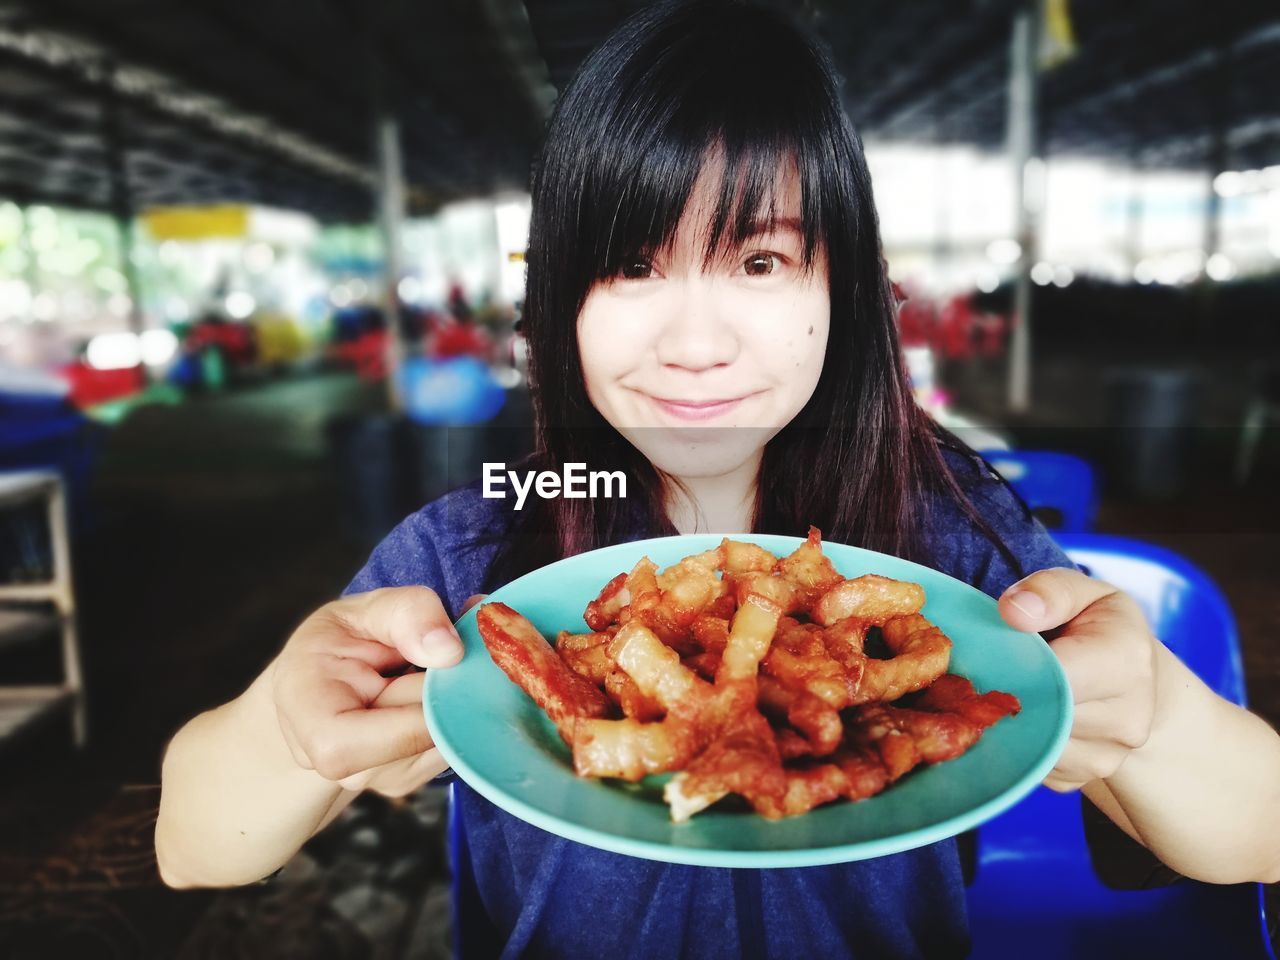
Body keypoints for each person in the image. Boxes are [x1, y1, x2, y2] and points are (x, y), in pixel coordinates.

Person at [155, 2, 1280, 957]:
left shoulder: (955, 541)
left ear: (844, 289)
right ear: (555, 304)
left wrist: (1153, 726)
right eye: (631, 265)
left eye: (757, 261)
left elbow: (1248, 838)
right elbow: (194, 850)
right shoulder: (471, 556)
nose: (695, 343)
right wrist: (283, 735)